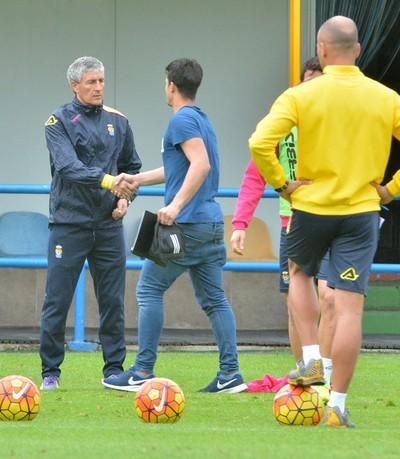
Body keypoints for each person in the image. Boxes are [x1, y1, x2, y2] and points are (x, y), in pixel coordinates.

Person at [249, 16, 400, 427]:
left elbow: (259, 142)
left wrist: (282, 185)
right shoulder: (384, 97)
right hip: (361, 212)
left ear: (321, 50)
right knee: (351, 308)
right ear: (357, 51)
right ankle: (336, 405)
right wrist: (391, 188)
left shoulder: (301, 95)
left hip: (311, 207)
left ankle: (312, 359)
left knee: (299, 275)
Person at [102, 58, 247, 394]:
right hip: (210, 224)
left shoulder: (180, 120)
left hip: (188, 225)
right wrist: (137, 178)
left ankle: (141, 371)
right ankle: (230, 374)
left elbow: (201, 165)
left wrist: (175, 205)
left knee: (148, 290)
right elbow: (179, 168)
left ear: (170, 85)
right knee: (215, 300)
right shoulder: (200, 119)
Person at [40, 56, 142, 390]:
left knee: (113, 300)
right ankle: (50, 372)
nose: (98, 88)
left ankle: (114, 370)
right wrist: (109, 182)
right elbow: (67, 167)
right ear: (75, 85)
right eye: (91, 82)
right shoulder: (57, 122)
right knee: (57, 299)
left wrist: (125, 199)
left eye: (101, 81)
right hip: (68, 224)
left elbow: (132, 168)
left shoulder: (119, 121)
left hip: (108, 227)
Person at [231, 57, 336, 382]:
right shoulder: (283, 121)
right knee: (295, 300)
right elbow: (254, 174)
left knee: (330, 297)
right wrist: (240, 224)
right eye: (307, 83)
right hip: (294, 223)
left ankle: (327, 373)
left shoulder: (339, 123)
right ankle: (308, 370)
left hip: (336, 219)